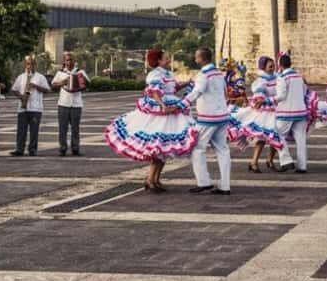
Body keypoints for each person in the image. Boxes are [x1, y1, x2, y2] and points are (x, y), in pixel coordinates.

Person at [105, 48, 198, 192]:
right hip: (159, 113)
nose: (169, 60)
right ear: (159, 61)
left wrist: (187, 83)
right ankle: (151, 179)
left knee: (163, 149)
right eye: (166, 58)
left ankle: (155, 179)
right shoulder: (155, 74)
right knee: (158, 147)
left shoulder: (168, 73)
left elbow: (172, 88)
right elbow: (155, 92)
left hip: (169, 108)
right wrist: (162, 106)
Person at [183, 47, 232, 195]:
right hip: (222, 116)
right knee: (223, 150)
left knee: (197, 148)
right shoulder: (218, 73)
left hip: (208, 117)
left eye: (196, 57)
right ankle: (225, 185)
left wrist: (183, 103)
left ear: (202, 59)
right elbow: (225, 92)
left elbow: (197, 91)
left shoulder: (203, 74)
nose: (195, 59)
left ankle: (204, 182)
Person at [229, 55, 285, 173]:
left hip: (276, 110)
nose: (272, 68)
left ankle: (269, 160)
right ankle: (254, 161)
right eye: (270, 66)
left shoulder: (277, 78)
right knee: (263, 137)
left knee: (275, 137)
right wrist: (263, 100)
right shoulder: (261, 80)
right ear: (263, 67)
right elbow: (258, 95)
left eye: (273, 65)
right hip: (265, 111)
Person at [275, 53, 310, 173]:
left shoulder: (282, 77)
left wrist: (269, 100)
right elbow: (305, 91)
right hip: (300, 111)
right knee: (301, 139)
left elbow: (281, 96)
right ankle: (302, 166)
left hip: (286, 112)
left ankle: (286, 160)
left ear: (280, 65)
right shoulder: (298, 76)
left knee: (276, 134)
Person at [9, 56, 50, 156]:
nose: (29, 66)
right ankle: (19, 149)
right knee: (21, 130)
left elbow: (47, 90)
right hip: (22, 108)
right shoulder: (21, 77)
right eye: (28, 64)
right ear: (25, 65)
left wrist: (35, 86)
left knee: (34, 131)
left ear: (35, 65)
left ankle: (32, 149)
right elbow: (14, 89)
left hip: (35, 108)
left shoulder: (40, 77)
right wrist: (21, 96)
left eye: (31, 64)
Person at [51, 52, 90, 157]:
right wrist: (62, 83)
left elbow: (87, 84)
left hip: (76, 104)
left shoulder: (80, 72)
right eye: (67, 60)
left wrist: (82, 82)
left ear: (74, 61)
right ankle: (62, 148)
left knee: (75, 128)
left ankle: (75, 149)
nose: (69, 62)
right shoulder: (60, 73)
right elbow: (53, 85)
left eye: (71, 60)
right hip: (63, 104)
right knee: (62, 128)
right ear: (64, 61)